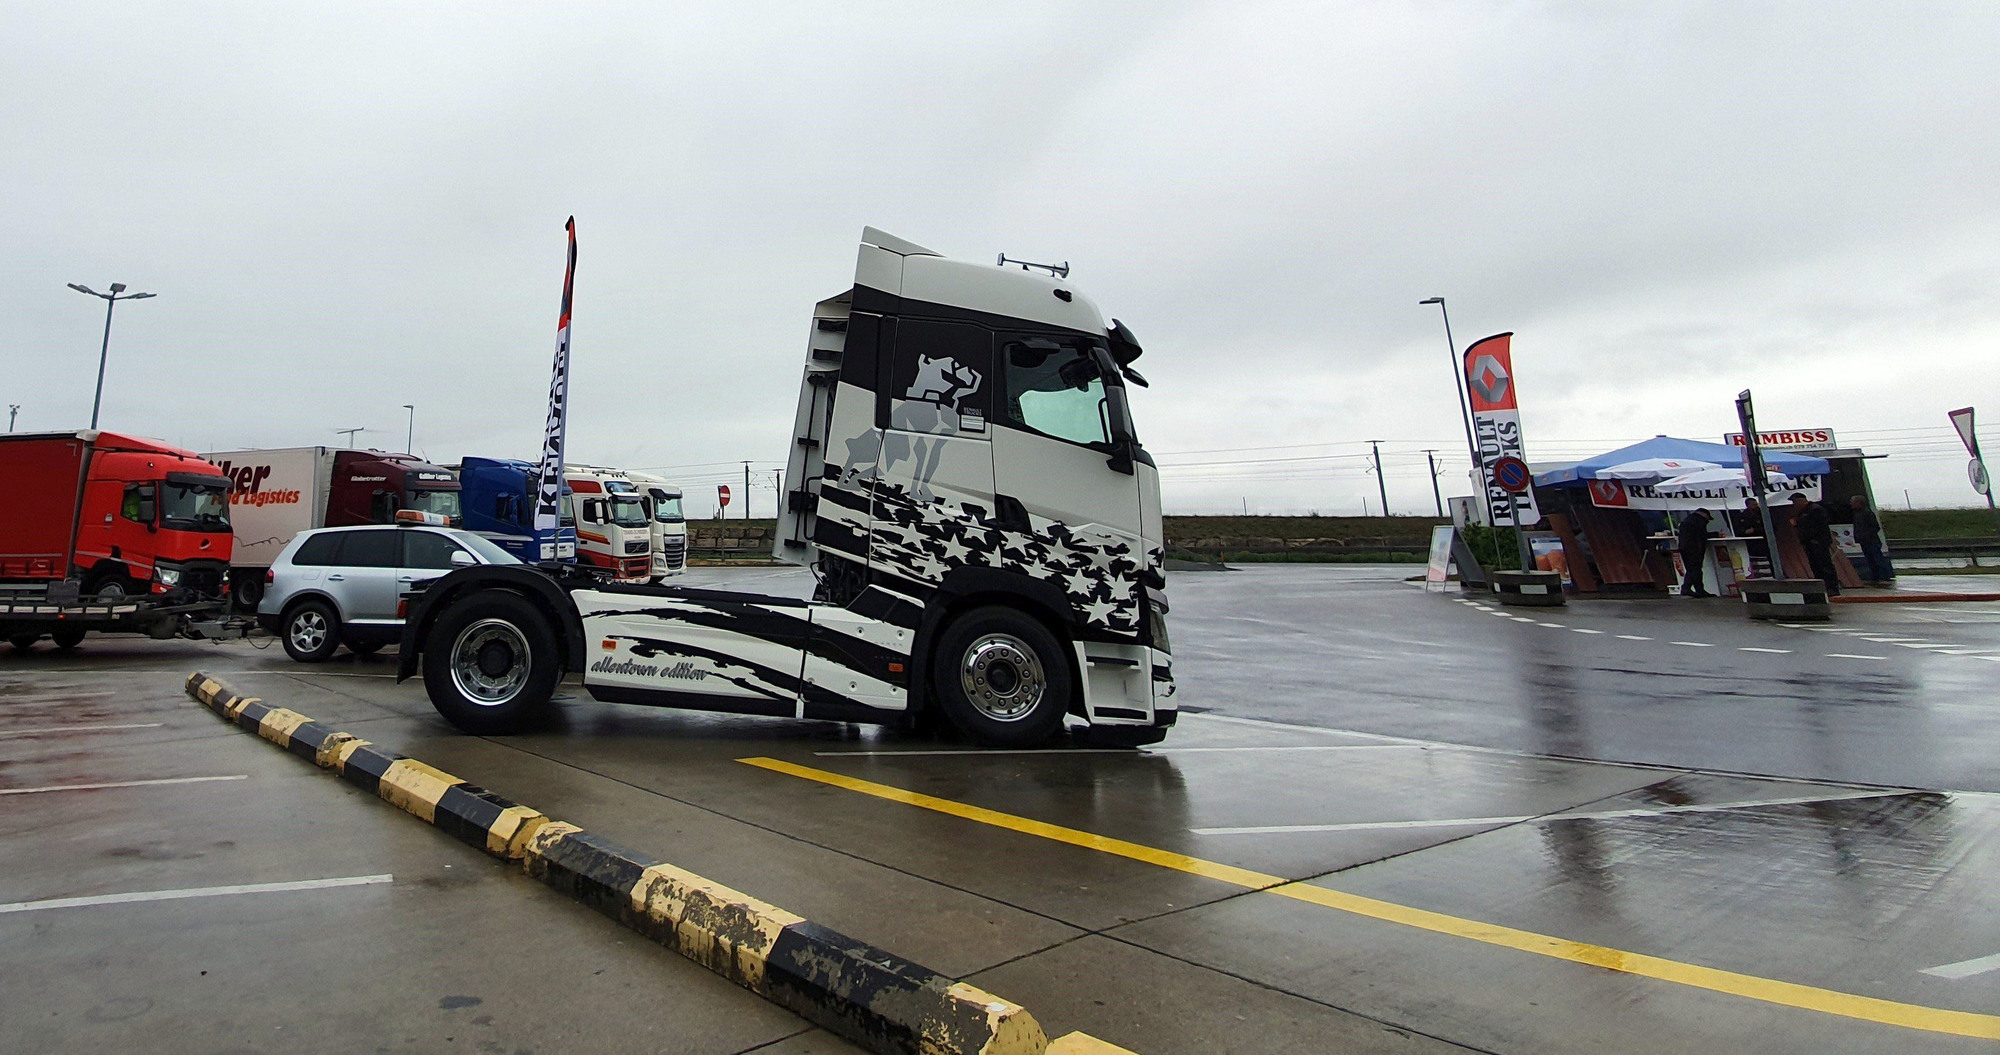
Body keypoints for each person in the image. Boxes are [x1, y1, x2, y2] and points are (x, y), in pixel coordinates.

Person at [1789, 493, 1840, 596]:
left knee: (1824, 564)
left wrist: (1800, 522)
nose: (1794, 504)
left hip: (1818, 541)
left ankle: (1832, 587)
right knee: (1815, 565)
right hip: (1808, 542)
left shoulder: (1815, 509)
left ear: (1801, 500)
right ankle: (1821, 586)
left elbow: (1820, 524)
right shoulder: (1803, 512)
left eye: (1795, 502)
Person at [1850, 495, 1894, 586]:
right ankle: (1875, 577)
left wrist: (1866, 535)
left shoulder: (1867, 513)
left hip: (1871, 541)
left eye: (1853, 502)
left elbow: (1875, 527)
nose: (1851, 504)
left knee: (1877, 559)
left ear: (1859, 503)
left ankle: (1883, 577)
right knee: (1870, 560)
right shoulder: (1857, 514)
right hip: (1864, 541)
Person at [1676, 507, 1716, 597]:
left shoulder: (1687, 520)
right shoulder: (1699, 521)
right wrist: (1715, 534)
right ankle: (1695, 590)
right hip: (1694, 548)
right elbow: (1702, 534)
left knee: (1692, 569)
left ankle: (1690, 589)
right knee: (1695, 569)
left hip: (1684, 547)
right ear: (1704, 515)